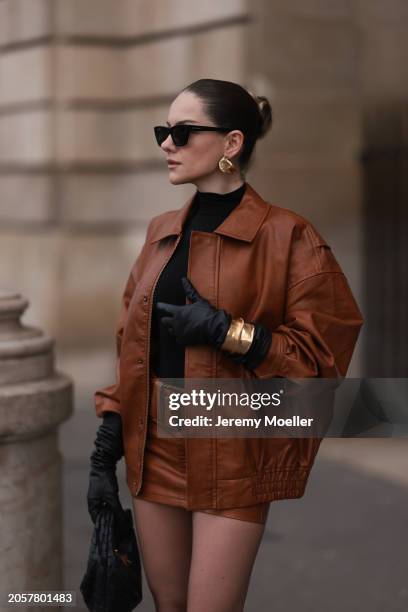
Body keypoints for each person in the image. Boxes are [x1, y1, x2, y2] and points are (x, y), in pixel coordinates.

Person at [87, 78, 364, 611]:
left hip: (235, 450)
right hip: (155, 451)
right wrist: (106, 444)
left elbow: (321, 358)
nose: (167, 143)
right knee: (168, 604)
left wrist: (229, 332)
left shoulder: (290, 236)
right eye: (163, 131)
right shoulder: (160, 233)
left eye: (183, 132)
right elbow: (130, 345)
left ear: (231, 144)